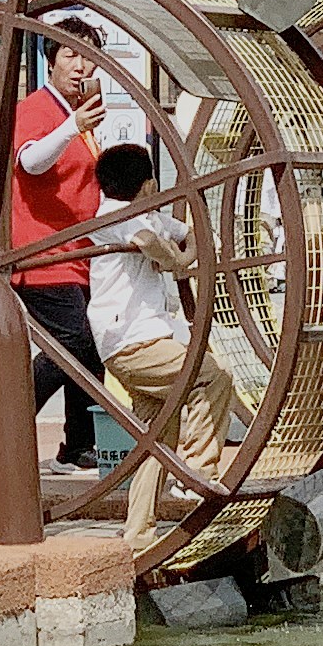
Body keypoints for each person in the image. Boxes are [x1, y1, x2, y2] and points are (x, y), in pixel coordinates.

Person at [85, 140, 241, 543]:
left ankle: (138, 531)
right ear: (149, 183)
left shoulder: (147, 213)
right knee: (214, 375)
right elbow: (147, 244)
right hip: (132, 342)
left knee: (158, 433)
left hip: (143, 339)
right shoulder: (114, 215)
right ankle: (196, 472)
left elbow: (192, 232)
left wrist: (183, 249)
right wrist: (178, 263)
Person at [7, 33, 111, 469]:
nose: (81, 65)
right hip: (42, 255)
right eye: (70, 54)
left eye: (89, 57)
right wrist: (72, 128)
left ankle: (78, 446)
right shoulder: (36, 110)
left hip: (79, 254)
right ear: (50, 61)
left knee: (91, 348)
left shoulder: (78, 118)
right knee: (73, 340)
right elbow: (30, 162)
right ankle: (7, 419)